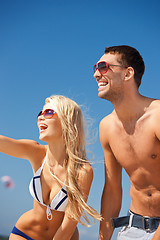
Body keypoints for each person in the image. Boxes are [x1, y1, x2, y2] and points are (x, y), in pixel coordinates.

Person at [0, 95, 101, 240]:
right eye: (40, 114)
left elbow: (68, 226)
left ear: (67, 121)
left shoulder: (82, 171)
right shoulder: (36, 152)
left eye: (48, 113)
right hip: (24, 233)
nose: (41, 118)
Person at [93, 45, 160, 240]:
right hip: (133, 229)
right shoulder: (106, 127)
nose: (97, 74)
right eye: (95, 68)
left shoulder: (157, 116)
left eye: (103, 67)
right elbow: (112, 190)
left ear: (128, 73)